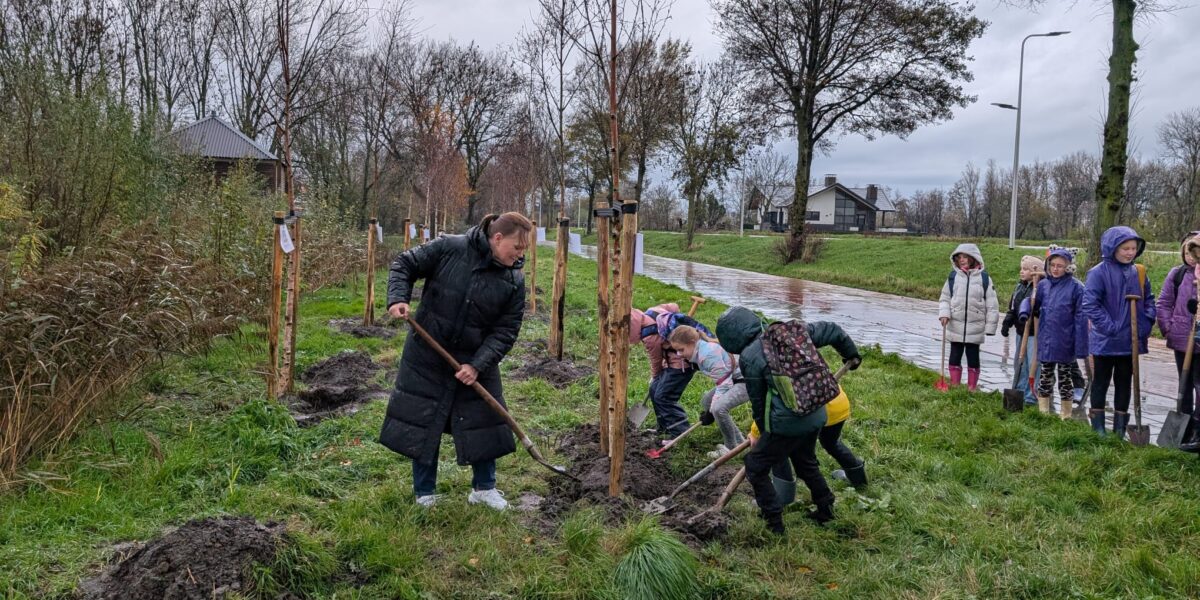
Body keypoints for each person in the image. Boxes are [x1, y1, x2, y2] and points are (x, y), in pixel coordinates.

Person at [379, 212, 531, 510]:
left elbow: (506, 330)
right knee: (425, 420)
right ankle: (425, 493)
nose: (520, 255)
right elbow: (405, 263)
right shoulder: (451, 247)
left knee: (486, 419)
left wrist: (478, 365)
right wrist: (398, 297)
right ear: (497, 238)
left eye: (524, 250)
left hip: (476, 358)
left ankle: (484, 489)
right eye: (517, 247)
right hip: (427, 354)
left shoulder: (513, 280)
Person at [716, 306, 861, 535]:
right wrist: (850, 353)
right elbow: (832, 330)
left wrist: (765, 432)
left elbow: (759, 400)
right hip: (817, 412)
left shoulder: (750, 356)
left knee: (755, 466)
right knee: (805, 461)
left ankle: (773, 522)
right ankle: (826, 508)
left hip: (788, 424)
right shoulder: (790, 330)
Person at [1082, 225, 1155, 439]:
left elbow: (1149, 300)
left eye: (1133, 248)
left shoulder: (1138, 273)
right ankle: (1098, 428)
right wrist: (1110, 328)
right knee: (1101, 381)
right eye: (1125, 248)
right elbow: (1091, 304)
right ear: (1112, 248)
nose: (1130, 252)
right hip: (1106, 341)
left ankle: (1120, 429)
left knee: (1125, 382)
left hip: (1130, 341)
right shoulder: (1098, 273)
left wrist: (1144, 324)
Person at [667, 325, 749, 457]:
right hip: (733, 378)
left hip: (749, 381)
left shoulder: (707, 355)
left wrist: (711, 412)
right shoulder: (700, 350)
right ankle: (739, 441)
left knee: (718, 409)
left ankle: (731, 447)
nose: (679, 354)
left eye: (681, 350)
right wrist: (710, 408)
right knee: (707, 400)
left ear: (692, 343)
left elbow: (724, 384)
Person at [1025, 248, 1088, 417]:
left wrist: (1080, 346)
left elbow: (1081, 318)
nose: (1055, 269)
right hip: (1046, 338)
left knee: (1065, 377)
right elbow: (1034, 303)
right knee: (1045, 375)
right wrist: (1026, 308)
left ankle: (1065, 414)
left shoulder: (1076, 288)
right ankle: (1043, 411)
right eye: (1052, 265)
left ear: (1068, 267)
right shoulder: (1044, 285)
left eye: (1060, 266)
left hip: (1065, 340)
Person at [630, 304, 702, 438]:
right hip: (670, 363)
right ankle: (664, 427)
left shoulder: (649, 336)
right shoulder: (653, 311)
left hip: (680, 366)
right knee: (654, 390)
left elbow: (656, 360)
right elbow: (673, 306)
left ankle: (680, 431)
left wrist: (655, 376)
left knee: (664, 397)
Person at [1156, 232, 1200, 450]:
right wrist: (1168, 329)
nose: (1191, 257)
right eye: (1187, 252)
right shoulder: (1177, 274)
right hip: (1182, 338)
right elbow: (1164, 303)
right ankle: (1183, 425)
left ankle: (1197, 430)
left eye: (1195, 253)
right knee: (1184, 384)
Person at [938, 243, 1000, 391]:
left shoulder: (984, 278)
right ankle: (955, 384)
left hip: (975, 325)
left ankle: (972, 387)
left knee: (973, 357)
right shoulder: (953, 277)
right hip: (956, 324)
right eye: (959, 257)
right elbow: (945, 298)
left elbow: (992, 304)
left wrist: (990, 326)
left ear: (973, 258)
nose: (962, 260)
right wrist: (944, 314)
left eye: (965, 257)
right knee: (955, 355)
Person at [1002, 255, 1045, 405]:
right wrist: (1008, 320)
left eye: (1025, 269)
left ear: (1036, 271)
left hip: (1034, 332)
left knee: (1033, 363)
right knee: (1019, 362)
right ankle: (1018, 391)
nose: (1022, 272)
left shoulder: (1040, 288)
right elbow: (1013, 306)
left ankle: (1031, 395)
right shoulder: (1020, 286)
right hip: (1021, 331)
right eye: (1021, 268)